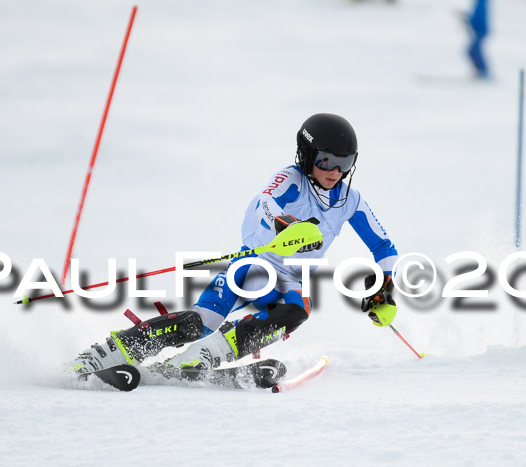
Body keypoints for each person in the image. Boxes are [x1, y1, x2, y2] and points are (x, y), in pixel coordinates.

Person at [72, 113, 399, 380]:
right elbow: (265, 201)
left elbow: (383, 246)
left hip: (291, 280)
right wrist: (283, 223)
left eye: (346, 162)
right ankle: (111, 351)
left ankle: (204, 355)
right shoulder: (291, 180)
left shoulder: (350, 201)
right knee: (196, 324)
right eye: (327, 161)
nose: (336, 172)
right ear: (308, 155)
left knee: (298, 309)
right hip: (252, 267)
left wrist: (384, 287)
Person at [463, 0, 490, 79]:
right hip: (479, 30)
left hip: (480, 30)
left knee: (473, 50)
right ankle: (480, 71)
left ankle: (483, 71)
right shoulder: (480, 2)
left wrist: (470, 20)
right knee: (473, 50)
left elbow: (479, 16)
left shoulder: (481, 2)